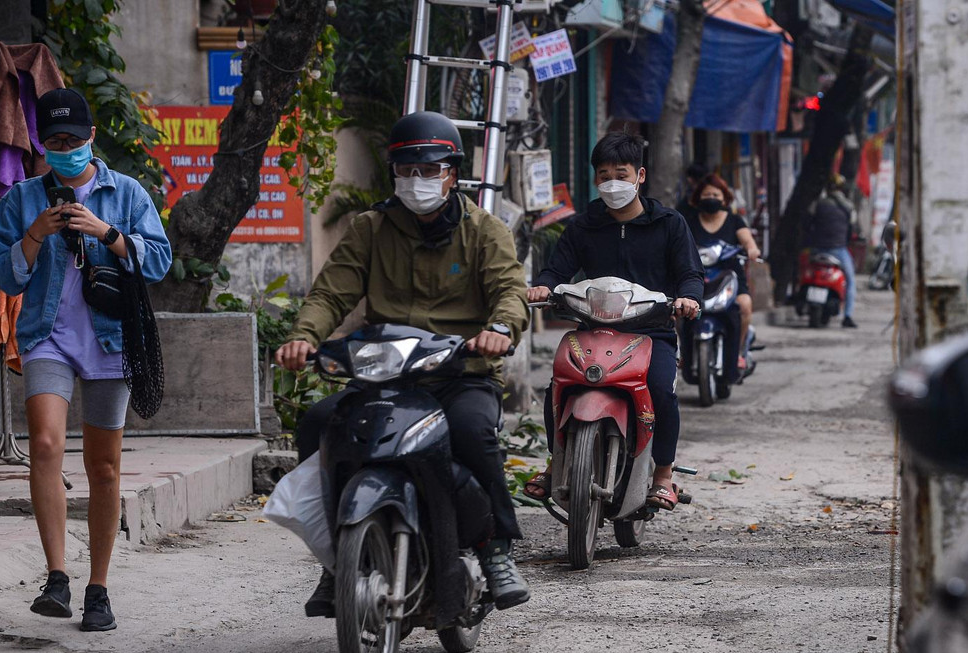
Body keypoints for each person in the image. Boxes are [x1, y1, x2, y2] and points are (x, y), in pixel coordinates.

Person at [274, 111, 532, 618]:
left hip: (460, 376)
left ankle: (497, 546)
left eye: (429, 170)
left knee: (474, 432)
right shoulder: (370, 229)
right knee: (319, 424)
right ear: (394, 174)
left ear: (452, 174)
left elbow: (510, 292)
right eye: (407, 170)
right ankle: (336, 560)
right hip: (386, 376)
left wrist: (498, 332)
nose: (417, 181)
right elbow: (330, 293)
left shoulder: (486, 231)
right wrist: (304, 338)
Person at [0, 88, 171, 631]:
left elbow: (158, 260)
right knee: (44, 443)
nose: (64, 149)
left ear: (92, 137)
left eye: (73, 139)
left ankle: (99, 588)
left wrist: (107, 233)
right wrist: (33, 237)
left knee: (104, 466)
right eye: (54, 142)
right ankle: (57, 577)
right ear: (43, 145)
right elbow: (1, 272)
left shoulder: (126, 191)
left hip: (110, 339)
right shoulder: (22, 198)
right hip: (47, 335)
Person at [525, 132, 704, 511]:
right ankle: (557, 463)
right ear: (594, 180)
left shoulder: (669, 224)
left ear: (639, 176)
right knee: (558, 385)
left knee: (661, 389)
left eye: (621, 175)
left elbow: (690, 273)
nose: (612, 183)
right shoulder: (582, 226)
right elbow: (557, 268)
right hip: (593, 330)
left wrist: (688, 298)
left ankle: (663, 476)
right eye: (604, 175)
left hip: (651, 333)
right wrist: (543, 286)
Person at [686, 173, 760, 375]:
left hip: (730, 275)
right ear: (698, 197)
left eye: (716, 194)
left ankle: (738, 351)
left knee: (744, 305)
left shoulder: (734, 220)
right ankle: (684, 351)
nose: (711, 198)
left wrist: (752, 249)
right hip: (697, 276)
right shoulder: (690, 222)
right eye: (707, 194)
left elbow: (747, 241)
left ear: (724, 198)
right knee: (678, 309)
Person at [805, 175, 858, 328]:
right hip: (838, 250)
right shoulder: (848, 207)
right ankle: (847, 316)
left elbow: (807, 224)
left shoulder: (817, 204)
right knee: (850, 281)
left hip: (817, 249)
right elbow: (852, 229)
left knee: (805, 270)